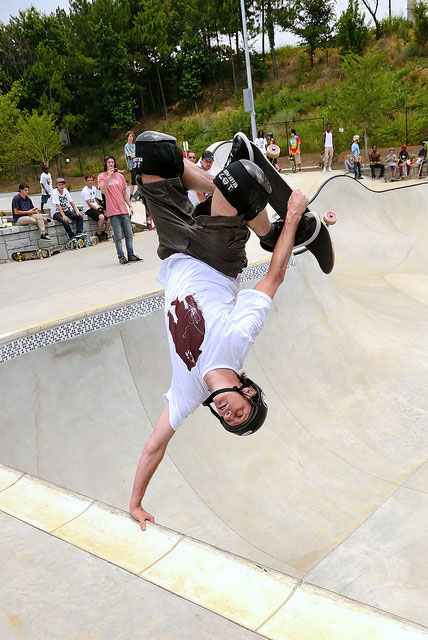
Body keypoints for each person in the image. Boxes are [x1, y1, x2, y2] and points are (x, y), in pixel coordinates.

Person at [128, 130, 309, 530]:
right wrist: (293, 216)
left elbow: (153, 447)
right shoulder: (237, 340)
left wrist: (136, 501)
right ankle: (269, 231)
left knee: (152, 153)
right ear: (247, 390)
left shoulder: (188, 393)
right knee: (238, 179)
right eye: (240, 412)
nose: (229, 415)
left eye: (229, 421)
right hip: (215, 256)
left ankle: (236, 196)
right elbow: (275, 277)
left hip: (176, 252)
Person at [98, 155, 142, 264]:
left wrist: (130, 206)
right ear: (105, 164)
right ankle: (121, 256)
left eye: (112, 162)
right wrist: (108, 177)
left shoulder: (119, 176)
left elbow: (124, 193)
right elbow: (103, 190)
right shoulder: (101, 176)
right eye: (108, 162)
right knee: (118, 236)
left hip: (123, 209)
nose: (111, 164)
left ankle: (131, 254)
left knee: (129, 234)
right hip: (113, 211)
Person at [81, 174, 110, 241]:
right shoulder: (84, 190)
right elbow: (89, 203)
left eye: (91, 180)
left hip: (95, 206)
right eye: (88, 180)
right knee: (101, 217)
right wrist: (98, 209)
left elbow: (94, 199)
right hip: (88, 208)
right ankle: (98, 233)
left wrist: (99, 205)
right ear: (86, 181)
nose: (90, 182)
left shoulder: (94, 188)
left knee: (109, 216)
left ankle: (105, 233)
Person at [124, 131, 138, 201]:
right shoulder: (126, 146)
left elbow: (138, 154)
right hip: (132, 165)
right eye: (130, 136)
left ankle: (139, 193)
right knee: (133, 180)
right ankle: (131, 195)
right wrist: (135, 154)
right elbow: (131, 156)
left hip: (137, 164)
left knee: (139, 178)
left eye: (132, 136)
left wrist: (135, 154)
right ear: (127, 137)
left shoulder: (135, 145)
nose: (131, 138)